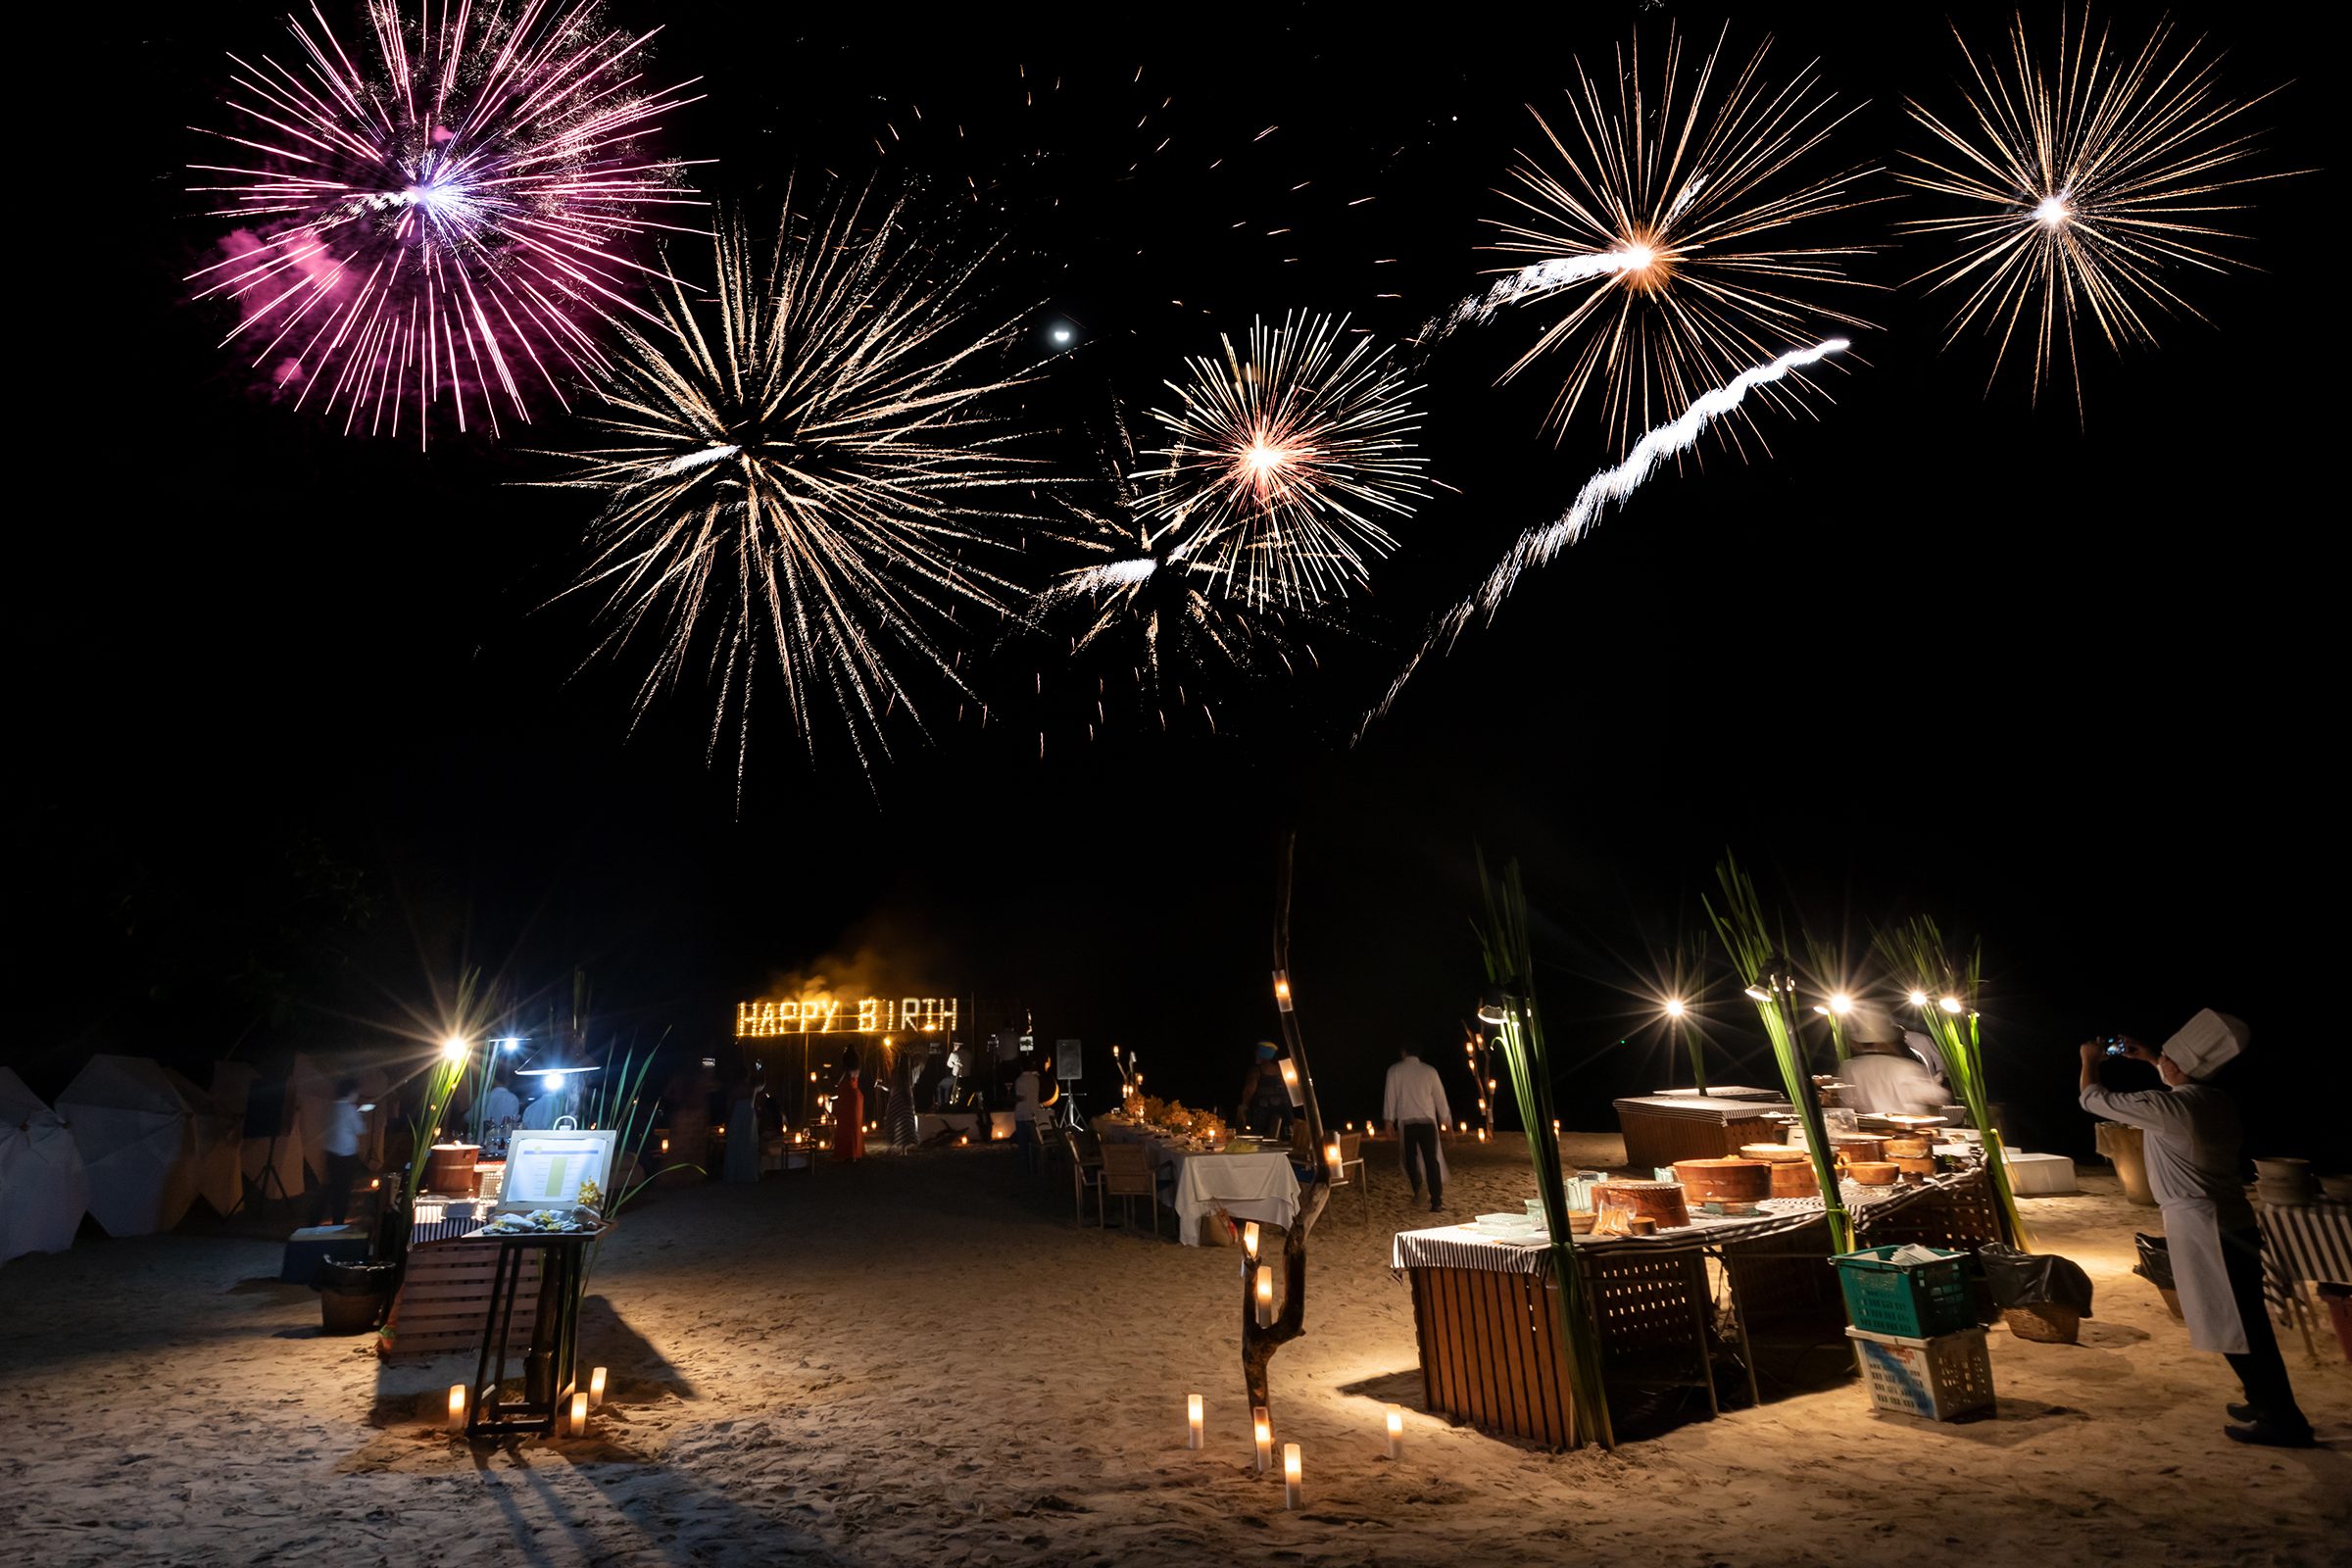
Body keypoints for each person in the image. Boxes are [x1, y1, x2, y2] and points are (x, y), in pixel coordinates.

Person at [2079, 1016, 2313, 1448]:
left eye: (2166, 1059)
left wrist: (2089, 1060)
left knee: (2239, 1325)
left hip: (2204, 1227)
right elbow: (2181, 1088)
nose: (2161, 1062)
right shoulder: (2215, 1100)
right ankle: (2264, 1401)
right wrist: (2152, 1058)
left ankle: (2282, 1418)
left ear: (2179, 1069)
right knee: (2242, 1321)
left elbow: (2093, 1099)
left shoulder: (2174, 1109)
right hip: (2232, 1220)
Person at [1383, 1046, 1452, 1213]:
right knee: (1431, 1161)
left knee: (1410, 1160)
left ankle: (1418, 1187)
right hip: (1428, 1122)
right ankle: (1436, 1201)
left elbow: (1390, 1096)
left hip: (1408, 1123)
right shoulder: (1430, 1071)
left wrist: (1388, 1120)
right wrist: (1447, 1122)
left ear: (1404, 1052)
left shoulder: (1395, 1070)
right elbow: (1440, 1098)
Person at [1841, 1006, 1949, 1115]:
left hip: (1867, 1129)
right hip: (1906, 1129)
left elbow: (1848, 1102)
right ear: (1891, 1041)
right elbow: (1939, 1097)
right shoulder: (1905, 1068)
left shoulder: (1850, 1068)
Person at [308, 1077, 366, 1226]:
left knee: (328, 1189)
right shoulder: (349, 1109)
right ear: (352, 1092)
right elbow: (360, 1129)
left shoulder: (332, 1107)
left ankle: (313, 1221)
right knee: (342, 1193)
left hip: (330, 1153)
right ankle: (338, 1223)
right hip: (345, 1157)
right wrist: (360, 1113)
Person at [1236, 1043, 1294, 1141]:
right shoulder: (1282, 1069)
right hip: (1284, 1110)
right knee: (1285, 1137)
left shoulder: (1256, 1070)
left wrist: (1243, 1105)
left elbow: (1250, 1088)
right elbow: (1293, 1088)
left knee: (1260, 1138)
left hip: (1263, 1112)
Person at [724, 1070, 764, 1184]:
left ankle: (735, 1174)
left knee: (735, 1144)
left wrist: (727, 1123)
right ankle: (748, 1175)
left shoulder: (734, 1090)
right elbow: (762, 1085)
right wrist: (762, 1071)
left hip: (738, 1116)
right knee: (748, 1144)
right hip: (748, 1116)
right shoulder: (751, 1088)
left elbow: (729, 1107)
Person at [831, 1052, 865, 1164]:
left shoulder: (845, 1070)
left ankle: (847, 1154)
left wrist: (828, 1072)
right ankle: (854, 1154)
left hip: (847, 1098)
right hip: (857, 1098)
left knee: (845, 1126)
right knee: (854, 1126)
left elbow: (836, 1082)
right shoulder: (857, 1069)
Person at [1012, 1058, 1043, 1175]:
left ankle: (1025, 1168)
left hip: (1022, 1113)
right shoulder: (1035, 1080)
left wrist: (1012, 1099)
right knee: (1034, 1142)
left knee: (1023, 1144)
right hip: (1033, 1112)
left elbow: (1020, 1097)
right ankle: (1035, 1166)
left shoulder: (1019, 1080)